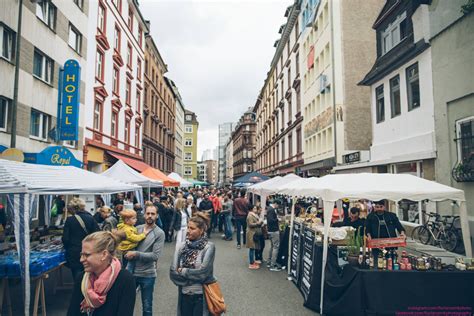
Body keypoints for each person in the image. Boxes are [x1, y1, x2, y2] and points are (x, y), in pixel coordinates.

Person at [67, 231, 136, 316]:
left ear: (104, 255)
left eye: (87, 255)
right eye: (81, 254)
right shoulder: (82, 278)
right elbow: (72, 312)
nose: (81, 259)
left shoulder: (125, 280)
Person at [170, 212, 216, 316]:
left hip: (201, 296)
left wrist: (183, 271)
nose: (188, 231)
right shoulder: (181, 247)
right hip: (184, 295)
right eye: (188, 227)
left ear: (201, 230)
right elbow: (173, 273)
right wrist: (192, 278)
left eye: (192, 228)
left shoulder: (208, 247)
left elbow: (204, 273)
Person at [124, 205, 165, 316]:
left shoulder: (159, 233)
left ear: (157, 216)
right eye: (148, 213)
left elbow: (155, 256)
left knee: (147, 307)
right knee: (126, 304)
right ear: (144, 214)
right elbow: (129, 245)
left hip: (148, 275)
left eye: (153, 214)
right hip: (131, 273)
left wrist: (136, 254)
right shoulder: (137, 228)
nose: (150, 216)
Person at [62, 197, 100, 282]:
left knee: (77, 275)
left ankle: (79, 292)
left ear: (74, 208)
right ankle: (89, 292)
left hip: (75, 252)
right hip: (90, 251)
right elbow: (98, 235)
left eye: (70, 209)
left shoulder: (70, 220)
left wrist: (68, 247)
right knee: (90, 274)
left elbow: (65, 239)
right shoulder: (91, 218)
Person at [366, 200, 406, 264]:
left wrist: (402, 233)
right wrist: (368, 235)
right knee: (377, 261)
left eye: (381, 207)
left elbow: (399, 226)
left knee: (391, 260)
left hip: (390, 243)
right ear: (374, 207)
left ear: (384, 207)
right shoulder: (370, 216)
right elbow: (367, 228)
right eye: (377, 207)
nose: (379, 209)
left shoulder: (391, 216)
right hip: (376, 244)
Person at [246, 205, 263, 270]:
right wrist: (258, 223)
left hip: (254, 232)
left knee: (253, 247)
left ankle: (253, 261)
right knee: (252, 248)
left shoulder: (254, 215)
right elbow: (250, 224)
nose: (256, 209)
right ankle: (251, 263)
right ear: (251, 209)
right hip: (251, 233)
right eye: (254, 208)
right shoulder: (250, 215)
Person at [266, 201, 281, 271]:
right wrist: (277, 219)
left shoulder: (269, 209)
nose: (278, 207)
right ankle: (272, 265)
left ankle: (269, 262)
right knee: (275, 247)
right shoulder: (271, 210)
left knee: (272, 246)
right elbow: (271, 220)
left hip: (270, 230)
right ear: (276, 204)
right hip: (274, 230)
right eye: (278, 205)